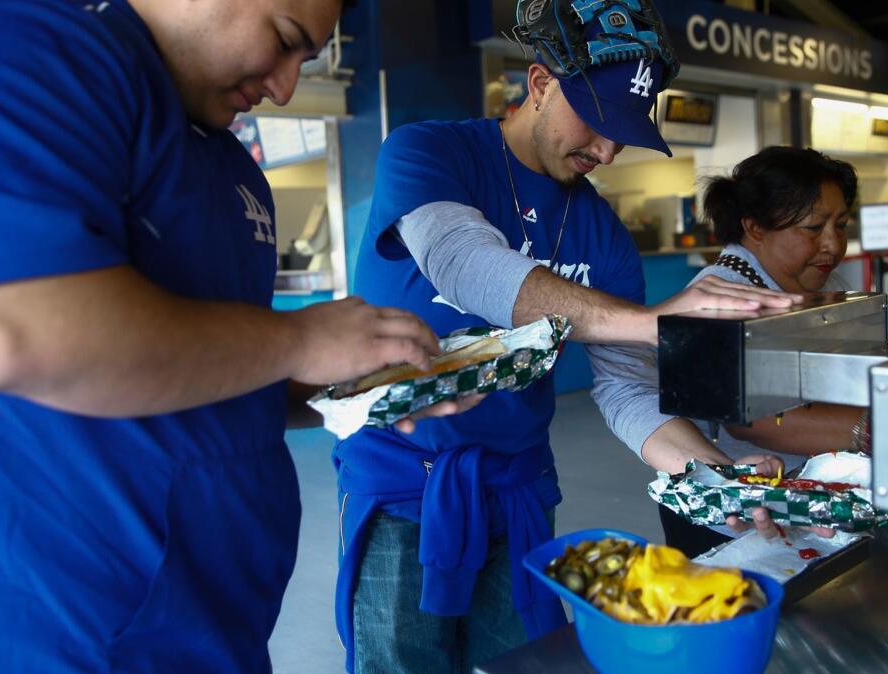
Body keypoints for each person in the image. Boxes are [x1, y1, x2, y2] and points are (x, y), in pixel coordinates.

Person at [0, 1, 470, 671]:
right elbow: (17, 331)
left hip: (216, 624)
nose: (286, 86)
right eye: (286, 40)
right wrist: (298, 339)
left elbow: (229, 374)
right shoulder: (46, 48)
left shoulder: (236, 171)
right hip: (85, 632)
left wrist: (359, 385)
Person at [332, 2, 800, 672]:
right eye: (597, 122)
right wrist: (654, 321)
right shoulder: (429, 152)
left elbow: (626, 393)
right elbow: (464, 262)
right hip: (401, 478)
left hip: (518, 484)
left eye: (625, 135)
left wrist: (718, 481)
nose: (606, 152)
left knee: (518, 662)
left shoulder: (602, 234)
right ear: (541, 82)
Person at [611, 146, 871, 558]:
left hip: (797, 486)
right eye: (813, 227)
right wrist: (871, 428)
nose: (832, 244)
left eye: (841, 225)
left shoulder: (816, 281)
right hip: (728, 511)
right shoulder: (723, 294)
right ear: (755, 228)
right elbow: (755, 422)